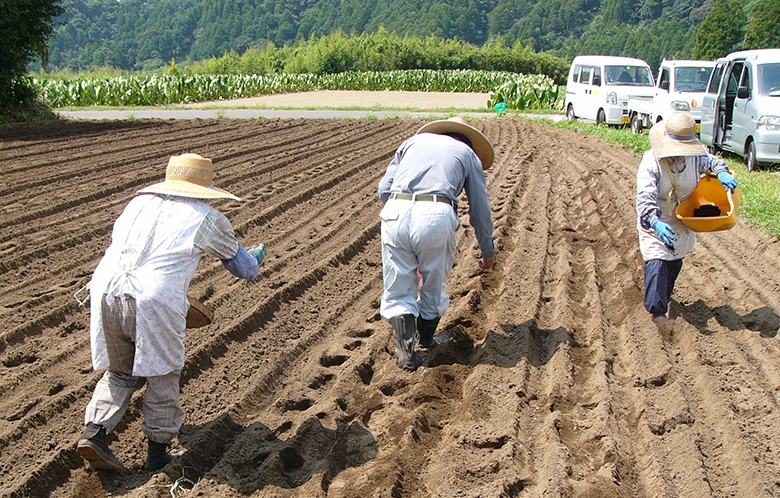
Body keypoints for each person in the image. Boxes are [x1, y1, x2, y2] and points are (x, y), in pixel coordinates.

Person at [77, 153, 267, 472]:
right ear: (204, 186)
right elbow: (243, 268)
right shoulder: (207, 217)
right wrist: (256, 259)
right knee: (163, 374)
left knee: (121, 372)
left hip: (105, 291)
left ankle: (94, 433)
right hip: (153, 301)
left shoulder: (137, 204)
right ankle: (158, 454)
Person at [378, 117, 496, 370]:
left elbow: (383, 190)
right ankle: (426, 340)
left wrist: (402, 211)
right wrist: (487, 250)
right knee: (433, 281)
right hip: (436, 213)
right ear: (467, 140)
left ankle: (405, 354)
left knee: (398, 285)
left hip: (394, 211)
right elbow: (479, 208)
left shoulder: (411, 143)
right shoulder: (467, 153)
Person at [636, 113, 738, 330]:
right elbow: (645, 198)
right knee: (657, 260)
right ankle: (657, 313)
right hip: (658, 215)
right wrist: (655, 223)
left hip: (682, 215)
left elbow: (711, 161)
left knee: (674, 260)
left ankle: (664, 297)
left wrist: (720, 172)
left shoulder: (694, 157)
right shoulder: (651, 161)